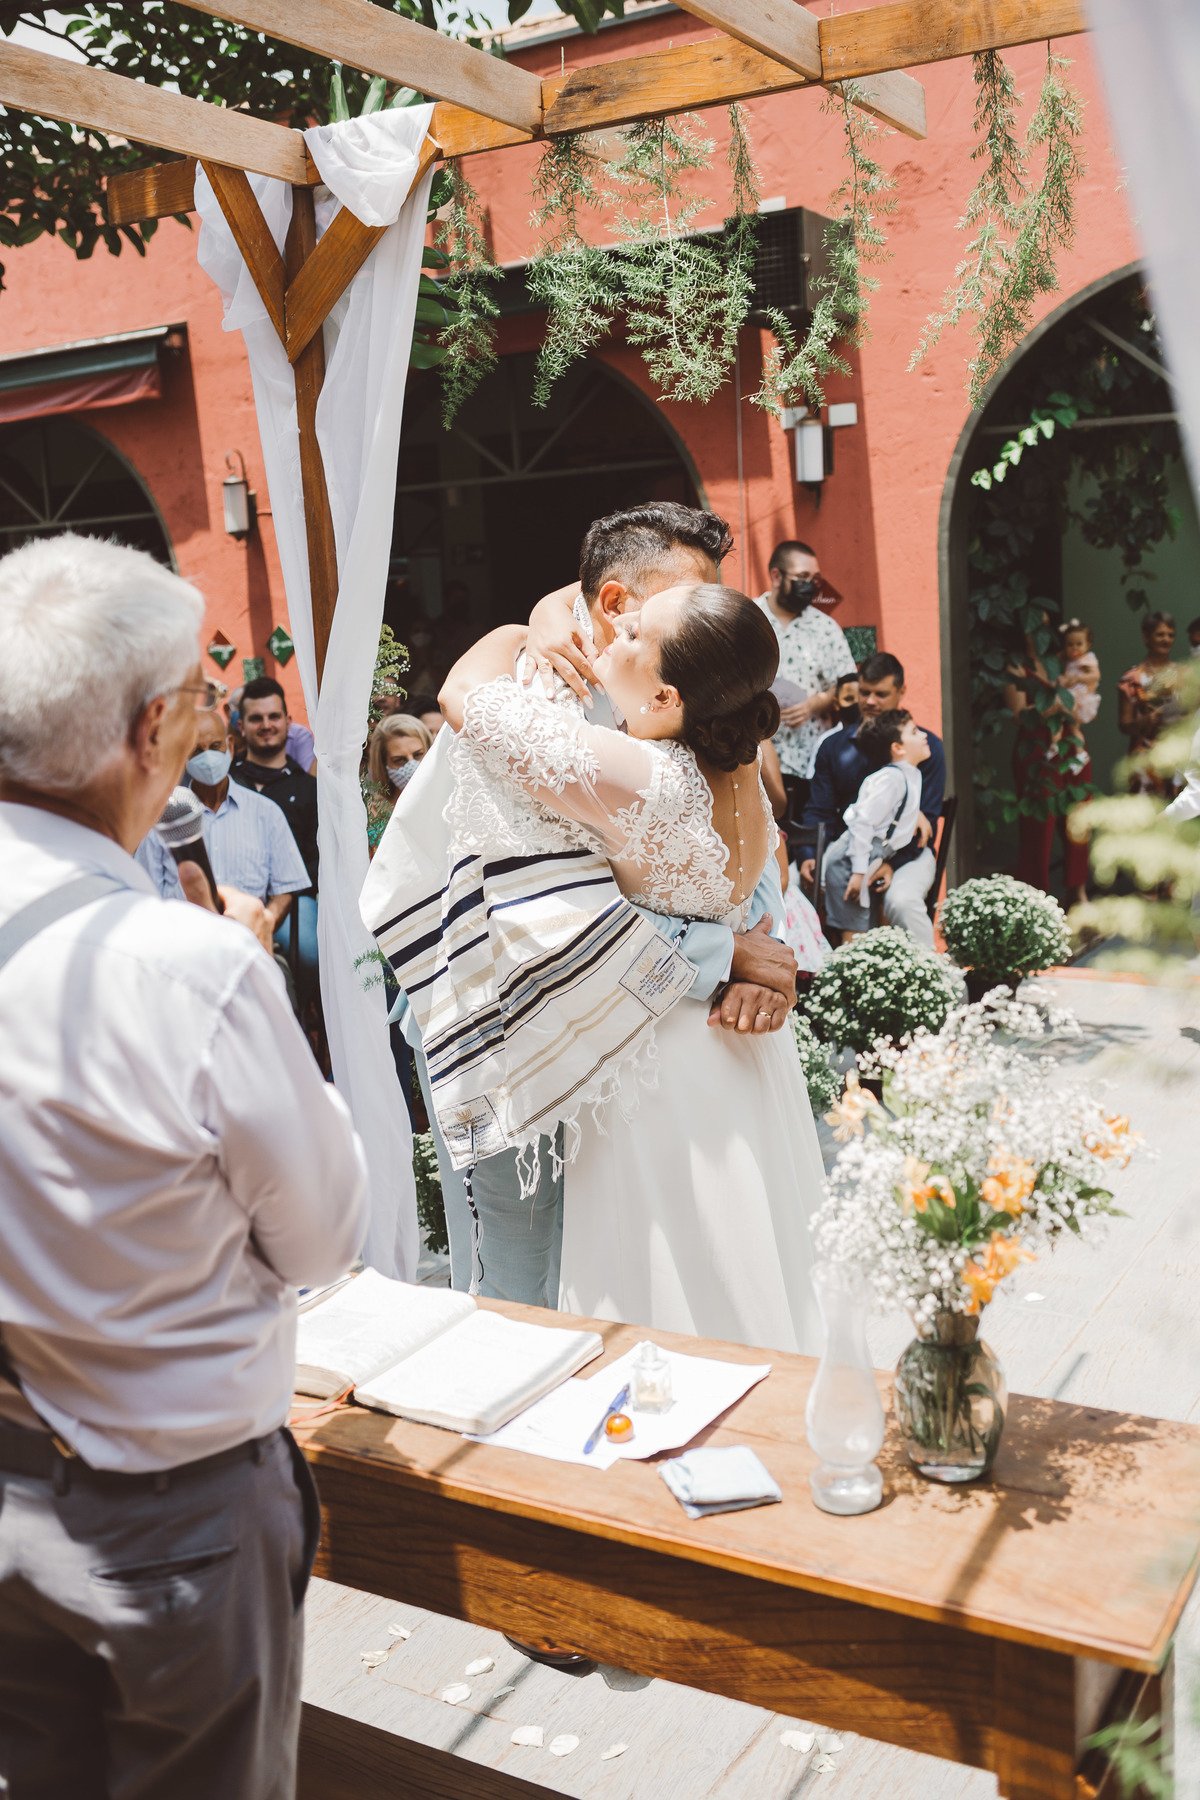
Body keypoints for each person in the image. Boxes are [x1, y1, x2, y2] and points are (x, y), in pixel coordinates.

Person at [0, 534, 367, 1796]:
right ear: (155, 726)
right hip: (166, 1515)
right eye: (205, 698)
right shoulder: (188, 969)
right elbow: (322, 1242)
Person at [363, 503, 798, 1311]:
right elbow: (539, 895)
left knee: (665, 1272)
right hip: (506, 1012)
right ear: (613, 604)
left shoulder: (695, 709)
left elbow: (755, 877)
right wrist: (723, 956)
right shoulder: (539, 693)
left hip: (649, 1047)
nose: (709, 616)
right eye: (687, 598)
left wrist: (758, 962)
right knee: (523, 1271)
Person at [439, 582, 824, 1354]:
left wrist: (520, 623)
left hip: (657, 1062)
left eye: (632, 635)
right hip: (743, 1059)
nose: (607, 636)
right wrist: (555, 613)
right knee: (746, 1261)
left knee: (660, 1281)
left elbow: (463, 693)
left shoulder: (643, 776)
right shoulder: (739, 768)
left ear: (663, 693)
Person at [797, 652, 945, 947]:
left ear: (901, 692)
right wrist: (808, 856)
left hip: (905, 853)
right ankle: (810, 980)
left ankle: (931, 980)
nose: (871, 701)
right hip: (849, 849)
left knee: (902, 901)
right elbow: (819, 809)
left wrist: (890, 865)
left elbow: (925, 826)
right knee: (787, 886)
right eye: (865, 692)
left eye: (881, 694)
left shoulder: (923, 747)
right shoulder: (833, 746)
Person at [136, 707, 310, 937]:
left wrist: (264, 926)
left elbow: (285, 889)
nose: (207, 757)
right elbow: (147, 896)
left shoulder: (266, 813)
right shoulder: (164, 817)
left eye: (215, 746)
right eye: (197, 750)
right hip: (183, 946)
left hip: (248, 944)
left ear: (230, 744)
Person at [753, 540, 857, 850]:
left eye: (815, 579)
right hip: (754, 756)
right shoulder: (747, 617)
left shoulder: (825, 628)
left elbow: (847, 683)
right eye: (802, 577)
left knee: (803, 848)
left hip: (808, 759)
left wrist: (816, 703)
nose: (810, 585)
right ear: (776, 575)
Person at [234, 677, 320, 992]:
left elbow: (317, 858)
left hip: (294, 899)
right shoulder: (223, 782)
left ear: (288, 722)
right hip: (230, 892)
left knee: (311, 957)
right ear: (241, 726)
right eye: (256, 718)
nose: (266, 724)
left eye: (273, 717)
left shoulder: (308, 789)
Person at [820, 711, 930, 940]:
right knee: (854, 932)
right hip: (850, 860)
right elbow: (862, 822)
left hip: (868, 856)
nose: (923, 735)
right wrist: (858, 871)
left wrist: (916, 816)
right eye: (914, 731)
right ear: (898, 748)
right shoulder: (891, 779)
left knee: (867, 928)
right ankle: (849, 973)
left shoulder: (908, 775)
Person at [1005, 628, 1093, 905]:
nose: (1036, 633)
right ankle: (1036, 898)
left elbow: (1083, 699)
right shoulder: (1016, 667)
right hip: (1036, 749)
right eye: (1030, 627)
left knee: (1079, 818)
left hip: (1070, 745)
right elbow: (1020, 714)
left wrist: (1067, 707)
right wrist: (1057, 704)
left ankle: (1077, 892)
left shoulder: (1062, 662)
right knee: (1038, 826)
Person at [1118, 610, 1185, 795]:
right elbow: (1124, 725)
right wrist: (1147, 720)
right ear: (1146, 637)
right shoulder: (1132, 678)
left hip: (1177, 757)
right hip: (1145, 759)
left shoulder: (1183, 674)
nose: (1166, 639)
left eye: (1171, 635)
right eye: (1160, 634)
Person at [364, 713, 432, 856]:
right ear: (383, 764)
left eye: (418, 754)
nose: (411, 765)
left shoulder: (447, 801)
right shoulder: (373, 814)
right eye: (399, 760)